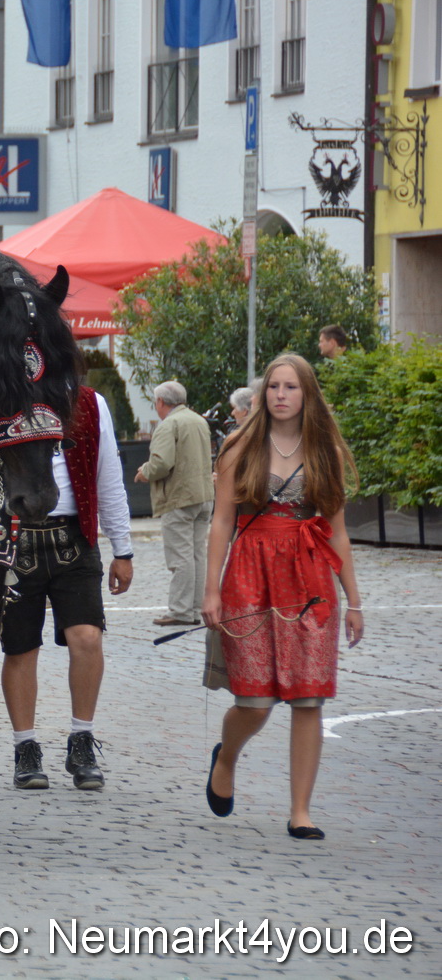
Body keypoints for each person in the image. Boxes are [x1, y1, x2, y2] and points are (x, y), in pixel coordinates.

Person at [202, 354, 363, 840]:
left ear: (307, 394)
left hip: (310, 580)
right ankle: (226, 757)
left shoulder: (325, 453)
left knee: (308, 699)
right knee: (255, 701)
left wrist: (354, 601)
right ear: (262, 394)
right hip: (250, 575)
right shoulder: (240, 447)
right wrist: (211, 590)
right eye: (274, 386)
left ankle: (300, 811)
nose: (281, 395)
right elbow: (222, 523)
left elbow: (337, 533)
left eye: (291, 387)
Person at [0, 383, 134, 792]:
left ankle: (82, 741)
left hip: (74, 537)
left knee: (88, 638)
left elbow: (108, 474)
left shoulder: (90, 403)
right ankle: (26, 747)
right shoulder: (0, 396)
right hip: (15, 538)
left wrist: (122, 547)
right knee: (20, 647)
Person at [135, 381, 214, 628]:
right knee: (197, 554)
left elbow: (161, 463)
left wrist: (143, 472)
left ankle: (180, 610)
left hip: (179, 497)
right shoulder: (198, 420)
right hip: (203, 496)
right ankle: (194, 609)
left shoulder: (169, 424)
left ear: (161, 402)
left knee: (181, 557)